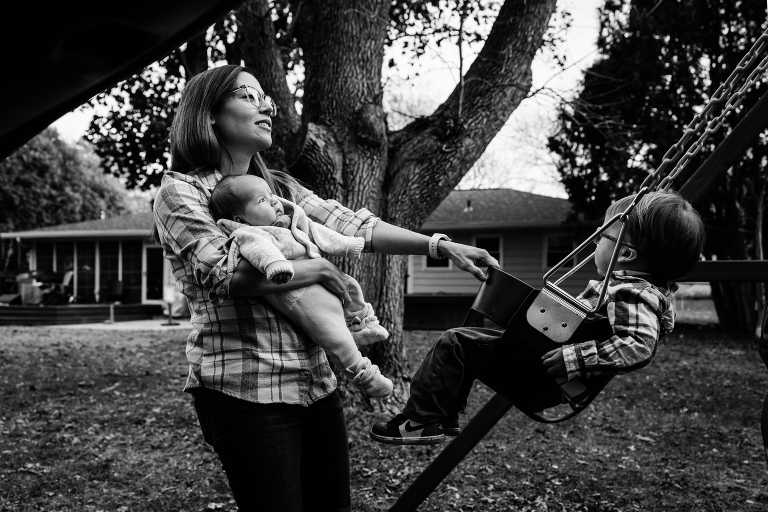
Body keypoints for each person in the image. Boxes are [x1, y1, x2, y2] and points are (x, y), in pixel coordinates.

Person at [151, 64, 498, 512]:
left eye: (266, 98)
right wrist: (320, 272)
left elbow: (355, 226)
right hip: (244, 389)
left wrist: (440, 246)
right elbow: (228, 276)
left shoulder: (279, 187)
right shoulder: (181, 192)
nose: (267, 106)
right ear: (209, 114)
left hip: (315, 382)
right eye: (248, 95)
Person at [369, 190, 706, 445]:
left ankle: (420, 421)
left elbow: (638, 345)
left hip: (544, 375)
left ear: (627, 254)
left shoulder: (633, 293)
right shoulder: (623, 288)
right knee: (465, 343)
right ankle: (440, 416)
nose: (594, 243)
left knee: (456, 342)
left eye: (602, 235)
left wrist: (574, 357)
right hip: (542, 366)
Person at [209, 173, 393, 398]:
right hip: (295, 293)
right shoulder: (250, 233)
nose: (274, 201)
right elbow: (260, 252)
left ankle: (361, 325)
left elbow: (319, 232)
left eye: (271, 195)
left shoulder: (290, 221)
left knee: (350, 286)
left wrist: (348, 244)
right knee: (332, 333)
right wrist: (276, 266)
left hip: (315, 279)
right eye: (262, 200)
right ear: (240, 219)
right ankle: (365, 375)